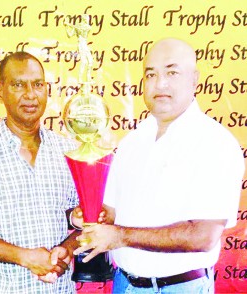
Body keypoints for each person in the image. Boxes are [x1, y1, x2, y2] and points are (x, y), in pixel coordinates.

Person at [72, 38, 245, 293]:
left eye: (172, 72)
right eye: (151, 74)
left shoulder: (215, 143)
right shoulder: (132, 141)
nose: (160, 83)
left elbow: (203, 236)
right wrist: (89, 216)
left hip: (180, 287)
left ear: (194, 79)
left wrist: (119, 236)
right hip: (125, 284)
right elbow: (111, 211)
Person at [0, 52, 80, 293]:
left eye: (38, 84)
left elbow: (80, 219)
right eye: (19, 84)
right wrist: (25, 257)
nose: (30, 94)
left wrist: (68, 249)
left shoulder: (67, 150)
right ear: (0, 90)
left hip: (60, 289)